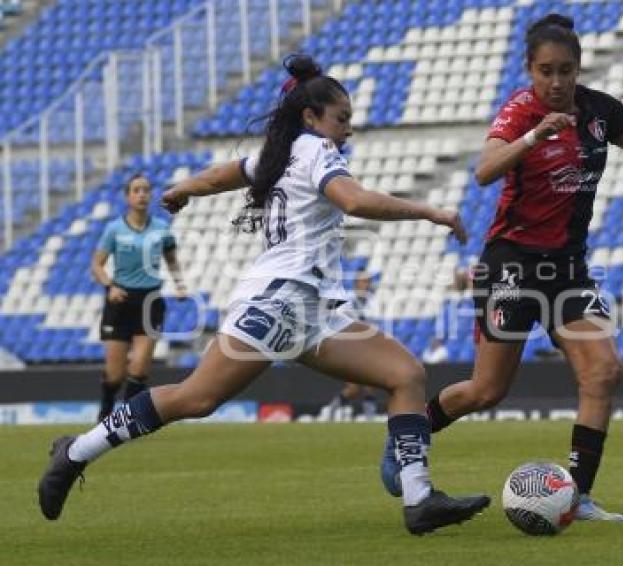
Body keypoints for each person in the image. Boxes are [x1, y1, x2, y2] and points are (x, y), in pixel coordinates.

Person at [38, 54, 490, 535]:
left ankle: (419, 500)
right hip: (279, 301)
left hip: (311, 309)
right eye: (342, 120)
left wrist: (183, 188)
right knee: (196, 398)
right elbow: (354, 201)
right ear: (311, 118)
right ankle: (77, 450)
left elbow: (217, 176)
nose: (348, 131)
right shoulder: (315, 151)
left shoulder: (279, 155)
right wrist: (430, 211)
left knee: (405, 374)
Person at [380, 14, 623, 521]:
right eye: (546, 71)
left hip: (568, 270)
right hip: (512, 266)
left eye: (566, 70)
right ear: (530, 70)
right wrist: (535, 137)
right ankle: (410, 435)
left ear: (579, 68)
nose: (557, 82)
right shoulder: (520, 113)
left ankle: (576, 497)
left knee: (604, 372)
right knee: (487, 391)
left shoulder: (599, 111)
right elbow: (483, 172)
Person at [90, 174, 187, 421]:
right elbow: (97, 265)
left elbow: (171, 259)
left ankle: (127, 420)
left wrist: (180, 284)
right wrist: (110, 286)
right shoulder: (114, 229)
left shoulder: (162, 229)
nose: (142, 194)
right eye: (136, 190)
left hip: (150, 300)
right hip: (120, 300)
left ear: (151, 195)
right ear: (127, 196)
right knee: (114, 374)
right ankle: (105, 411)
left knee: (140, 366)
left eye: (146, 190)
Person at [320, 272, 379, 419]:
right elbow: (338, 320)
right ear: (356, 283)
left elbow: (374, 324)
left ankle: (369, 419)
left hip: (367, 347)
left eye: (367, 282)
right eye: (363, 282)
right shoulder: (348, 301)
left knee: (371, 385)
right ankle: (331, 411)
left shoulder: (372, 301)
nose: (366, 284)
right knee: (353, 388)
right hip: (351, 347)